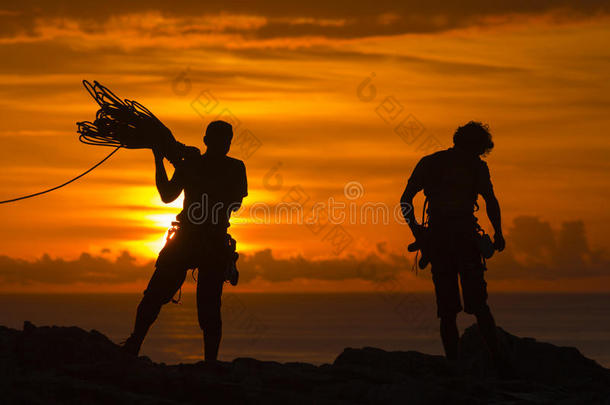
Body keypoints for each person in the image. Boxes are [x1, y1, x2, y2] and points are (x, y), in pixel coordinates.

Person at [123, 120, 247, 362]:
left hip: (195, 240)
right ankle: (208, 361)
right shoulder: (230, 167)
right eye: (225, 140)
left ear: (205, 140)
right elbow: (234, 205)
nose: (226, 144)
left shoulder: (196, 164)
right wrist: (171, 161)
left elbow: (167, 195)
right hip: (206, 241)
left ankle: (134, 346)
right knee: (197, 305)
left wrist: (163, 160)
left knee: (159, 298)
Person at [400, 121, 506, 370]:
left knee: (447, 311)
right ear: (479, 147)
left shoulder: (430, 163)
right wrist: (498, 232)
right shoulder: (476, 167)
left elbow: (406, 200)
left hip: (439, 242)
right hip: (463, 241)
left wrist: (418, 232)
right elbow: (490, 200)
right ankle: (499, 363)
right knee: (478, 306)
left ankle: (454, 367)